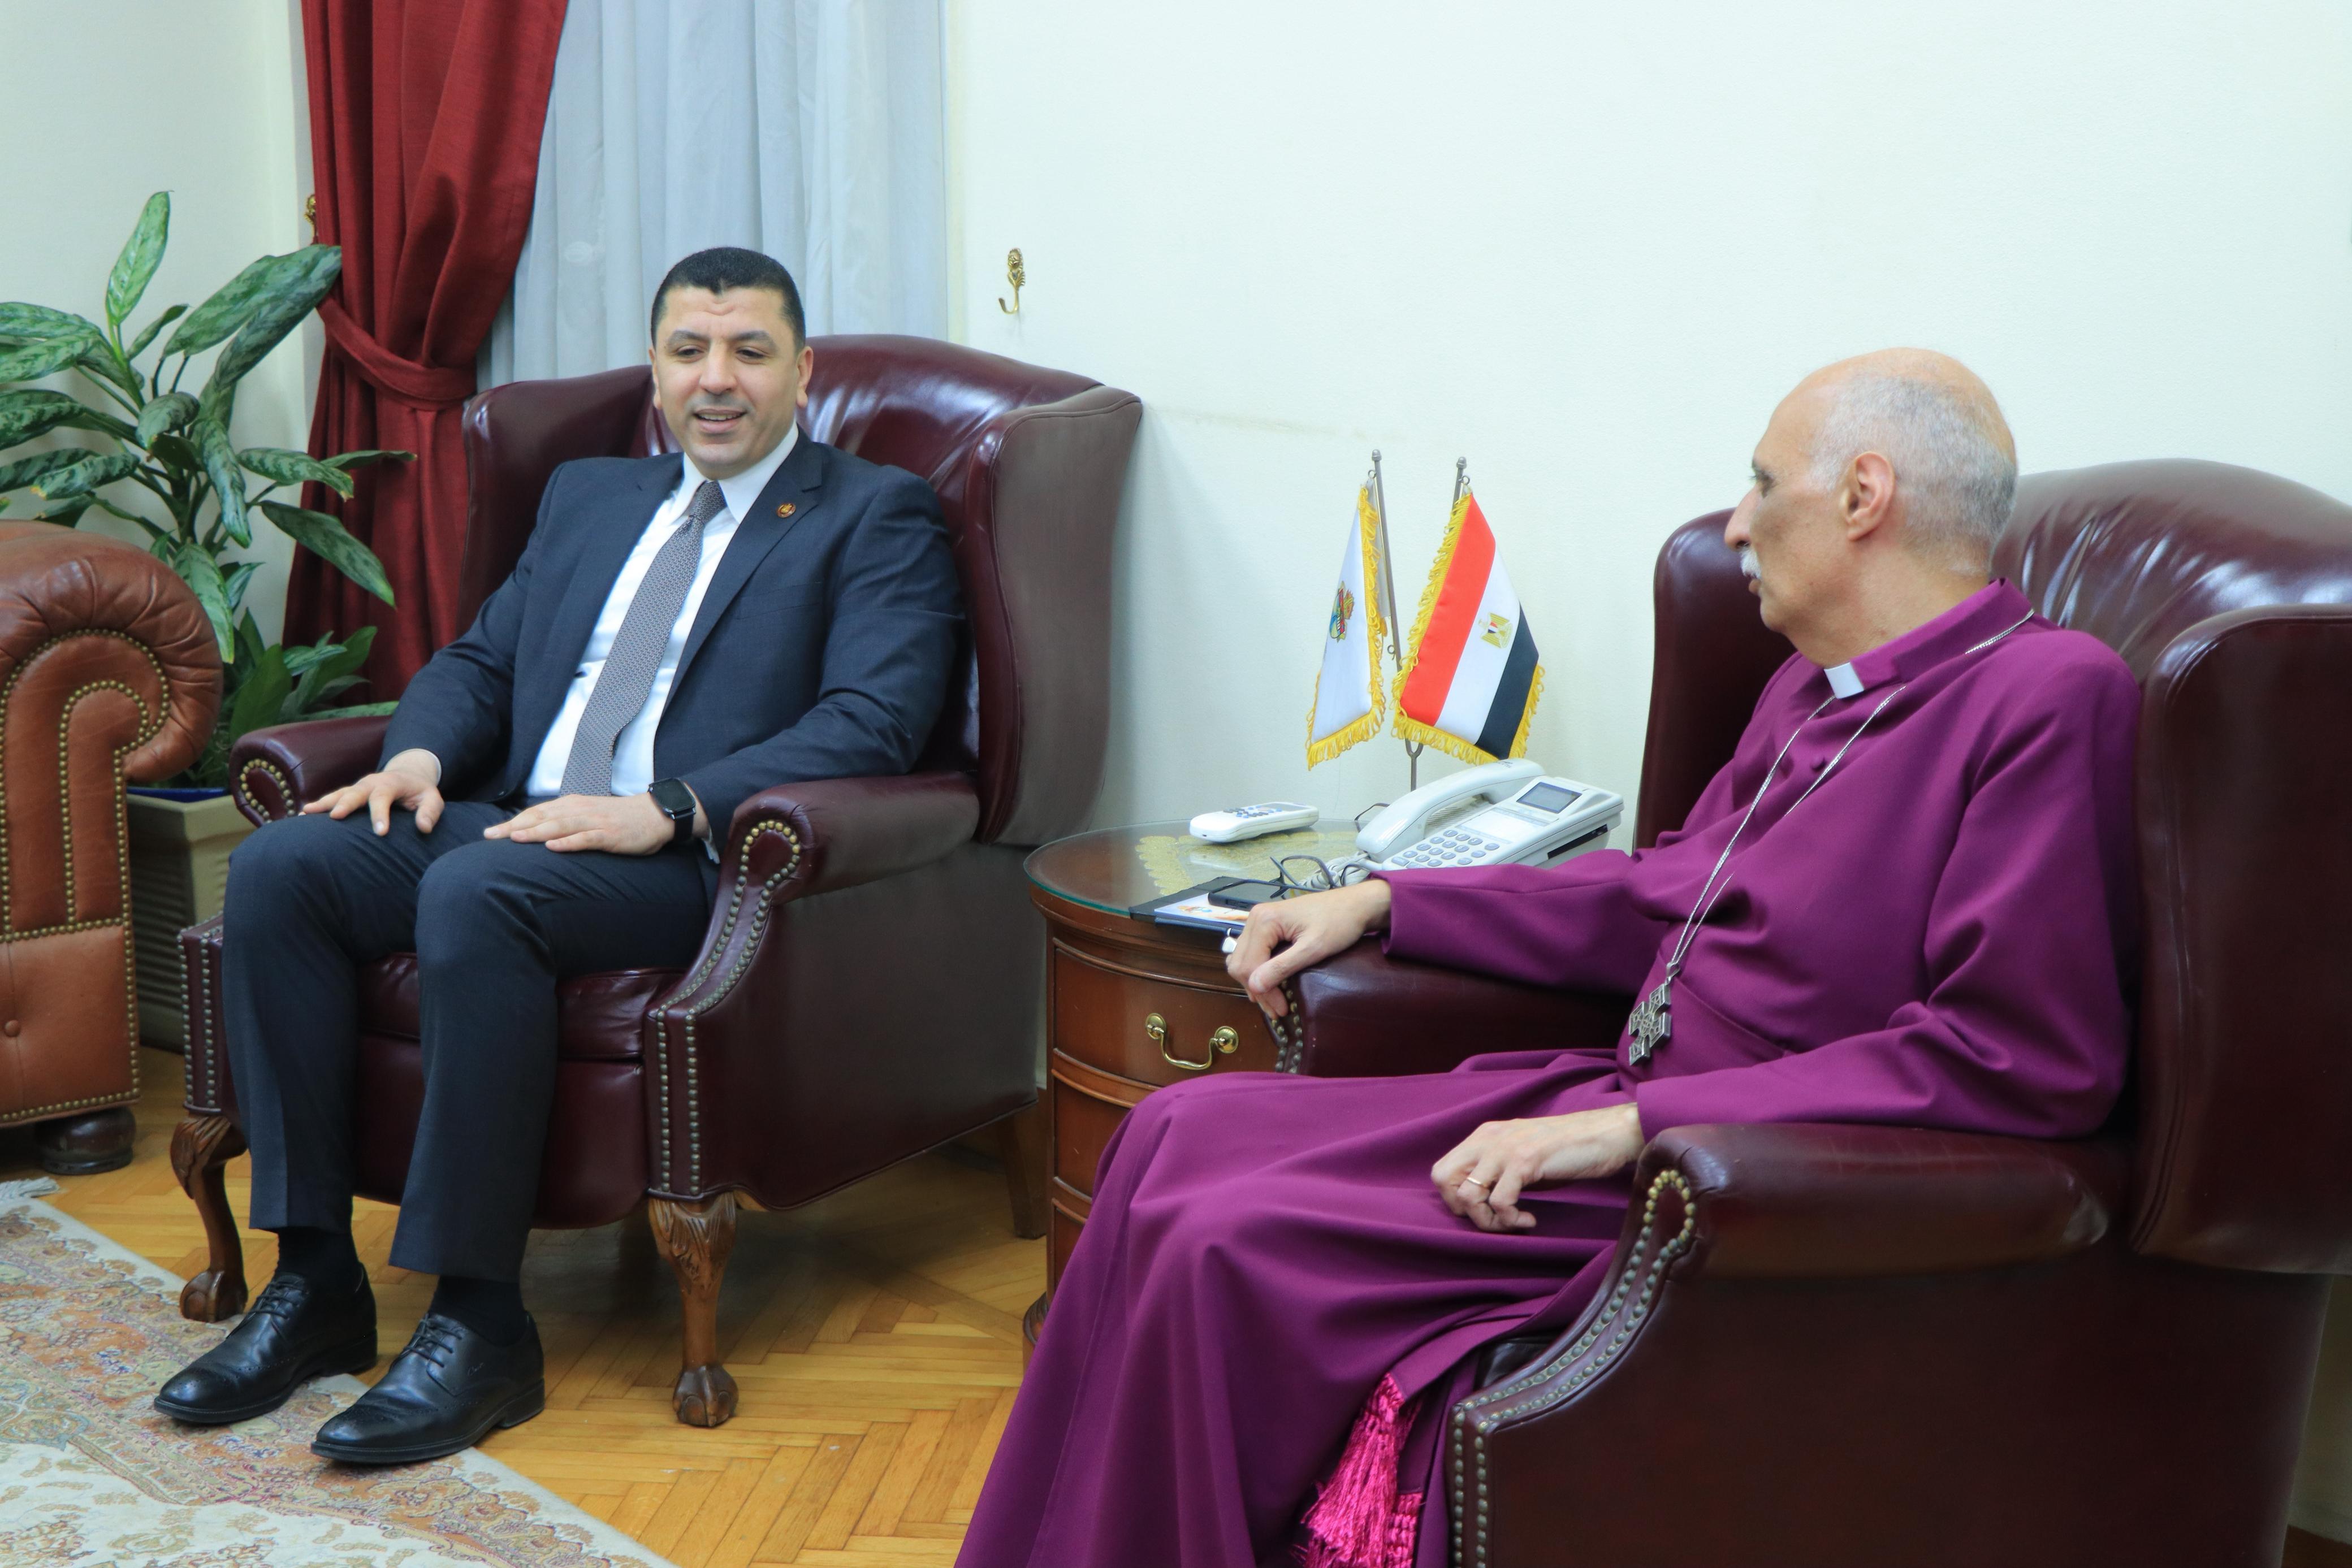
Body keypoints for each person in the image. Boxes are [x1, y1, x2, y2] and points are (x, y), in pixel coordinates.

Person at [957, 350, 2141, 1568]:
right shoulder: (1812, 691)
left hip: (1734, 1178)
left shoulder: (2051, 696)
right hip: (1617, 1103)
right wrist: (1389, 899)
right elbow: (1657, 894)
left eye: (1760, 482)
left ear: (1862, 495)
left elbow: (2017, 1057)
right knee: (1173, 1131)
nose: (1736, 524)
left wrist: (1632, 1128)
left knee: (1221, 1238)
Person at [154, 247, 962, 1465]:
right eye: (689, 351)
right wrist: (419, 758)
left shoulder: (873, 513)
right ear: (656, 371)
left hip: (691, 861)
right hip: (520, 823)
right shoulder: (592, 496)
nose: (717, 379)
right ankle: (314, 1280)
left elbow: (874, 720)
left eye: (749, 351)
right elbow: (483, 662)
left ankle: (482, 1324)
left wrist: (671, 807)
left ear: (804, 372)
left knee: (481, 890)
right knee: (284, 868)